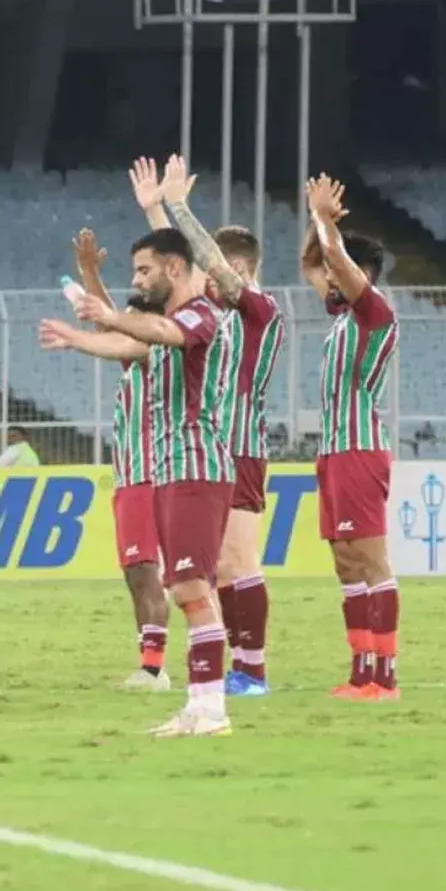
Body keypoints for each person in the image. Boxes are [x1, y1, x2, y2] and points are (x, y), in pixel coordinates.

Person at [45, 219, 236, 737]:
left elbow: (160, 333)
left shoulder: (199, 315)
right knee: (187, 588)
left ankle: (210, 709)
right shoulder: (169, 324)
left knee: (192, 587)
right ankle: (200, 706)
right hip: (173, 469)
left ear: (174, 268)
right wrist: (77, 338)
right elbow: (128, 346)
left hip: (195, 464)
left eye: (144, 270)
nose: (137, 280)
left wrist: (107, 314)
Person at [158, 157, 287, 697]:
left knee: (236, 560)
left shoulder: (260, 311)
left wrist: (179, 208)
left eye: (215, 271)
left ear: (236, 268)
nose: (206, 279)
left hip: (239, 446)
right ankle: (239, 666)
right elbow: (176, 275)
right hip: (207, 448)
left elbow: (207, 262)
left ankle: (252, 671)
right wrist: (157, 210)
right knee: (210, 569)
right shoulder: (213, 317)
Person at [56, 227, 170, 690]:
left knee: (148, 571)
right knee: (135, 571)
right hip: (129, 475)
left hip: (152, 473)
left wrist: (75, 334)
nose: (124, 323)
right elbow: (110, 327)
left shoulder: (154, 347)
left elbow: (115, 333)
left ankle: (155, 668)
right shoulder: (133, 350)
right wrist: (89, 272)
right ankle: (150, 662)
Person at [303, 174, 401, 701]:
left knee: (371, 559)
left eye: (338, 270)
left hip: (360, 449)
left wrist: (327, 224)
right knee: (345, 561)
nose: (327, 279)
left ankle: (386, 676)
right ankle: (361, 670)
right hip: (334, 452)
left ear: (361, 274)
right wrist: (315, 220)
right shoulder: (343, 314)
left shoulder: (374, 311)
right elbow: (311, 264)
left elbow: (335, 265)